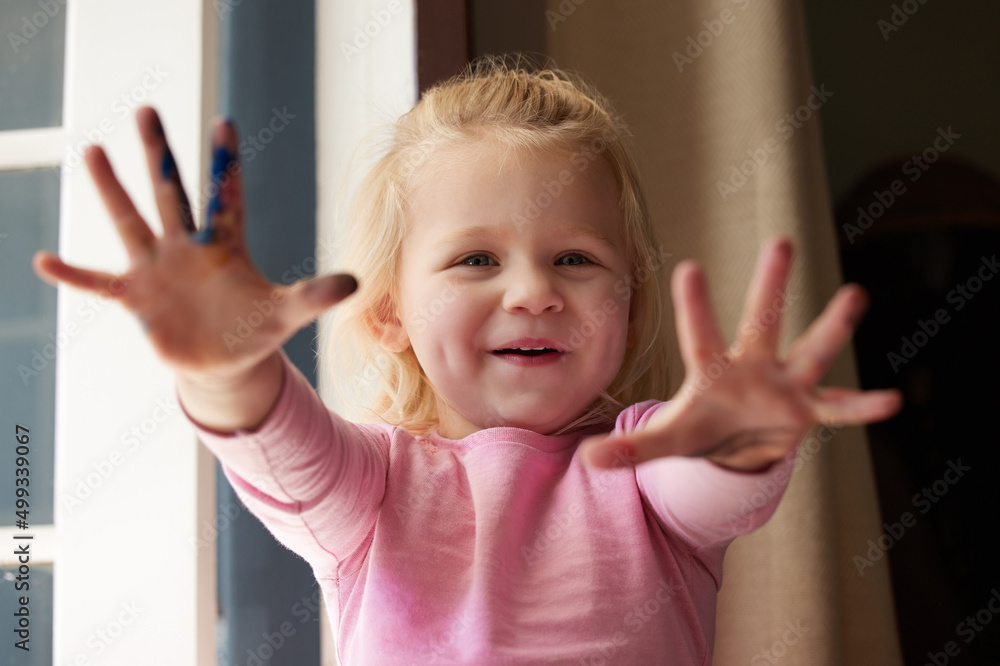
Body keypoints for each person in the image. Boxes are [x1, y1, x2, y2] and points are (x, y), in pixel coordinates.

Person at [33, 58, 902, 664]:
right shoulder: (370, 489)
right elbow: (274, 438)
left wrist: (736, 434)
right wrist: (223, 368)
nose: (532, 291)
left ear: (627, 302)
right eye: (475, 260)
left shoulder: (641, 469)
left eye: (576, 259)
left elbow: (704, 471)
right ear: (387, 316)